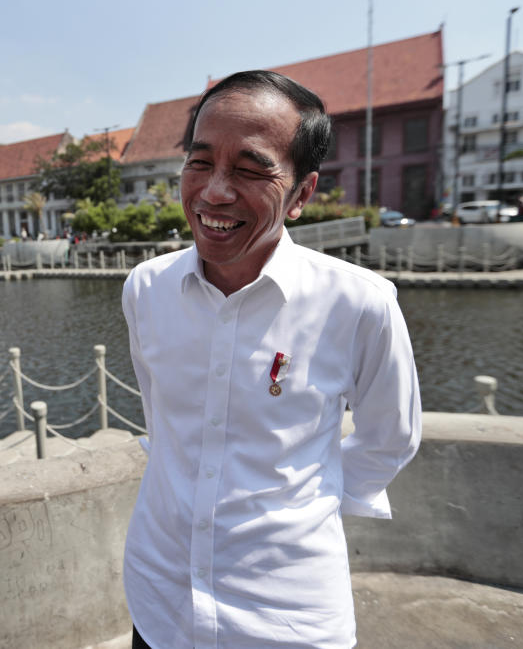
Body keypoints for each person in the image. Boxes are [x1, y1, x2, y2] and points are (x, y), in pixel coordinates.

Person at [121, 70, 421, 648]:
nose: (213, 192)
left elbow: (391, 438)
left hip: (287, 618)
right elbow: (162, 420)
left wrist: (300, 501)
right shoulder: (146, 289)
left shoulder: (359, 303)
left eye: (252, 170)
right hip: (162, 602)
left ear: (303, 194)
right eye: (200, 162)